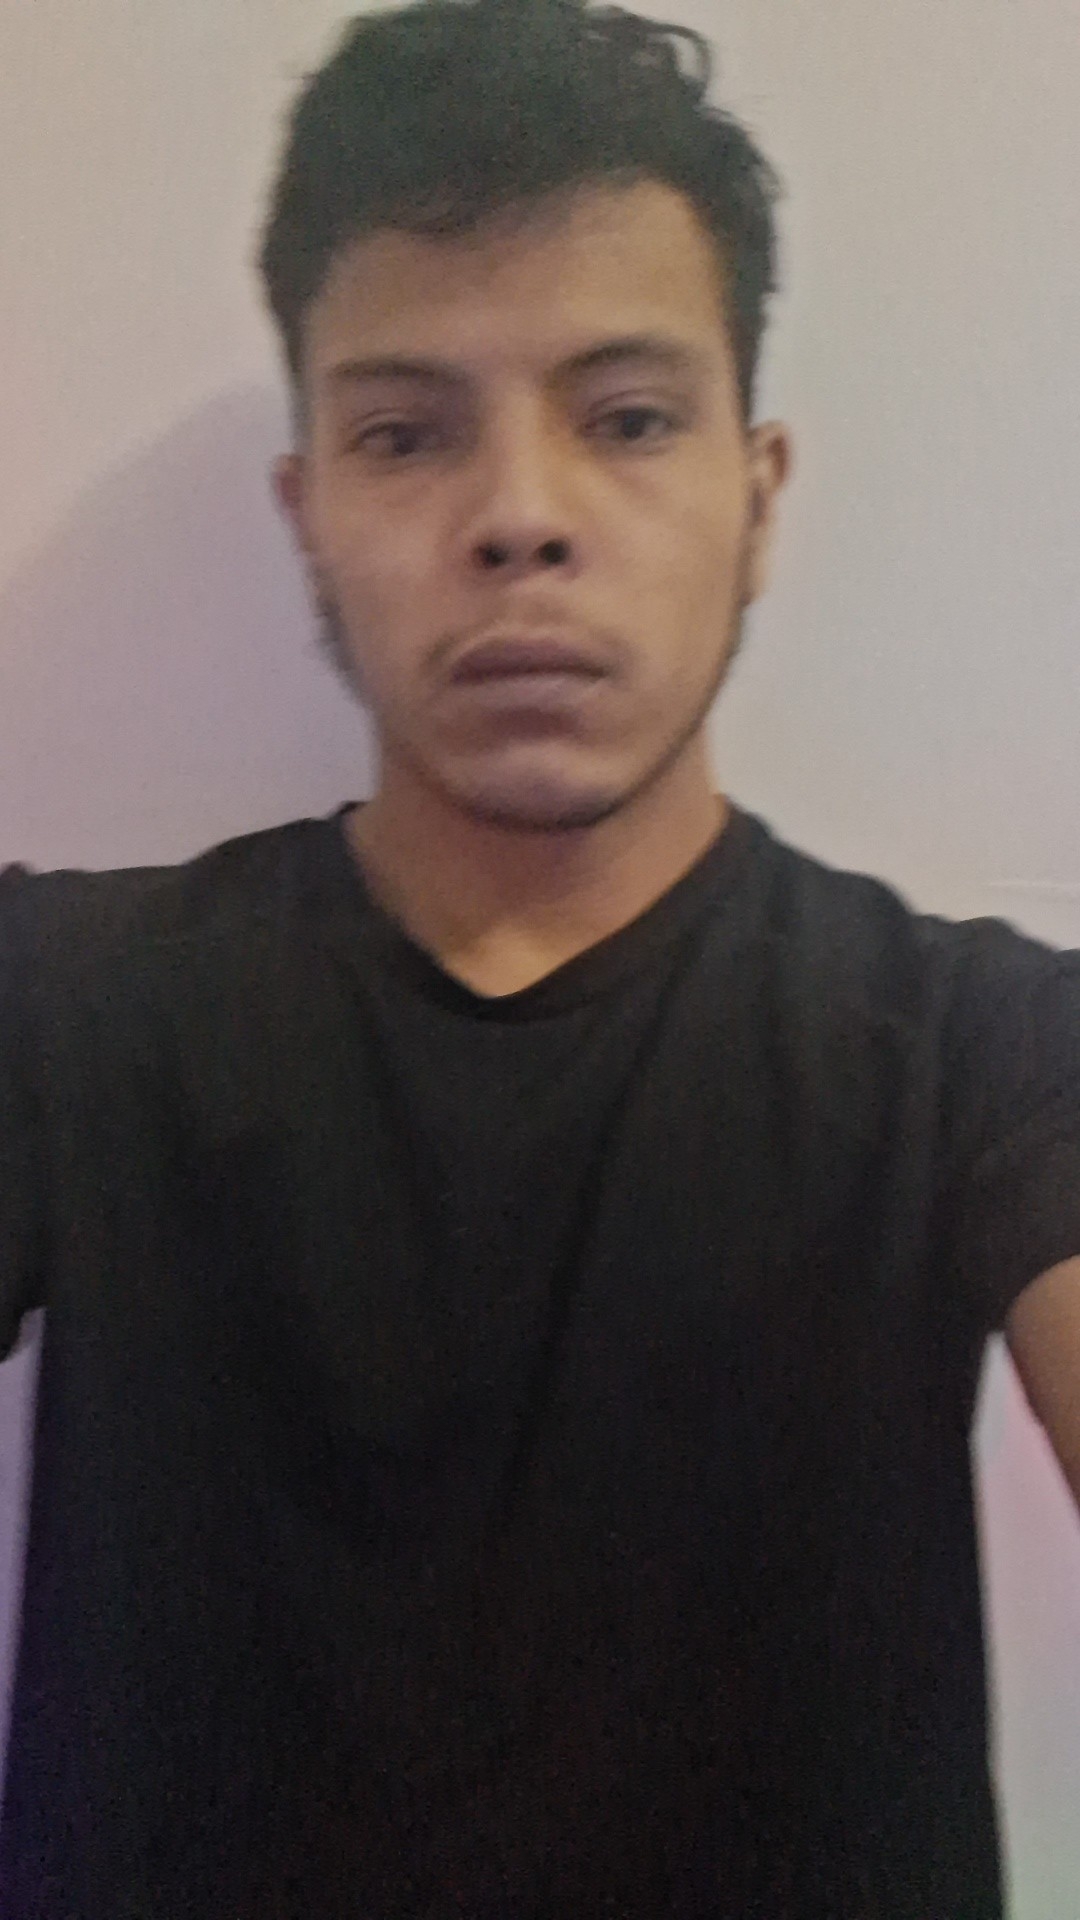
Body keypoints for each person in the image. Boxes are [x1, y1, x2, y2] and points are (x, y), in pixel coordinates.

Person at [1, 0, 1078, 1912]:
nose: (519, 518)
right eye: (406, 434)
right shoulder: (68, 1010)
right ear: (308, 514)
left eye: (628, 418)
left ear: (759, 495)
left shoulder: (981, 1053)